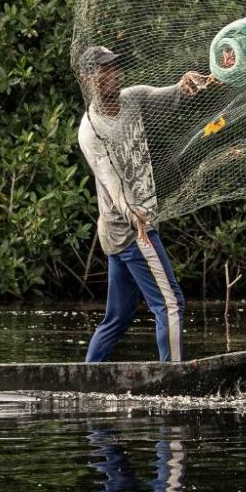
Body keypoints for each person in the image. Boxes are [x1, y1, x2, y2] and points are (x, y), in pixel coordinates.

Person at [77, 46, 213, 363]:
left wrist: (187, 84)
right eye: (103, 70)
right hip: (130, 229)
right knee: (170, 304)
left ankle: (86, 377)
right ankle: (175, 375)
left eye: (115, 68)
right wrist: (132, 212)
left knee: (117, 319)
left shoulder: (132, 99)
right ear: (88, 78)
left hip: (119, 233)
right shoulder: (91, 130)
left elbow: (171, 94)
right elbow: (110, 180)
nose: (111, 75)